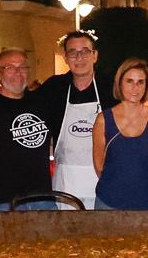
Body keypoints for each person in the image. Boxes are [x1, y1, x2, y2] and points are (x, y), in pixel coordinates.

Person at [0, 49, 61, 212]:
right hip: (0, 204)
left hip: (42, 201)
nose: (17, 73)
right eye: (10, 68)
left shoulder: (42, 103)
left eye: (22, 67)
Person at [37, 32, 105, 208]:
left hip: (102, 181)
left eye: (85, 51)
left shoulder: (110, 88)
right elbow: (22, 105)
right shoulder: (54, 88)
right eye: (73, 52)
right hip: (66, 182)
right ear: (66, 58)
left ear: (95, 56)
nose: (79, 58)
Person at [93, 58, 148, 211]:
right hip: (110, 205)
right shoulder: (103, 120)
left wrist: (143, 185)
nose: (135, 87)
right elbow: (99, 165)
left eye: (140, 82)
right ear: (120, 83)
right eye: (130, 81)